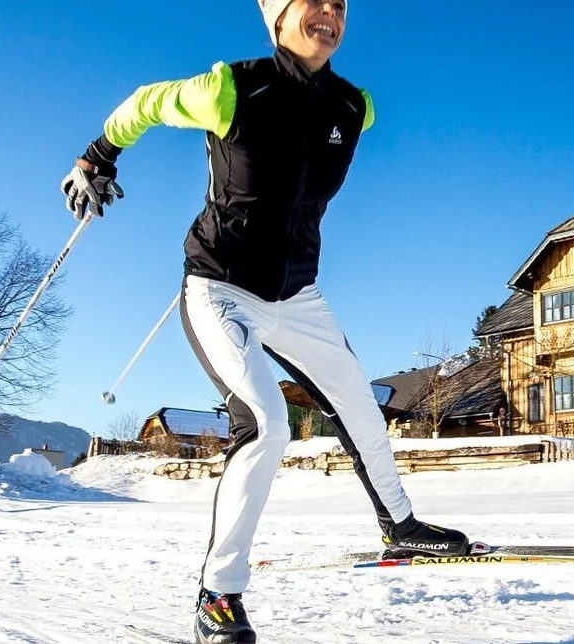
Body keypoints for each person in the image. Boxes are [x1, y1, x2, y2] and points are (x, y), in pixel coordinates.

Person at [60, 1, 471, 642]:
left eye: (338, 5)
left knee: (360, 404)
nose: (329, 13)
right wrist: (96, 156)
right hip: (219, 287)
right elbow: (142, 102)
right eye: (313, 2)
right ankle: (218, 594)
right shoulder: (229, 87)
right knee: (267, 422)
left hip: (297, 294)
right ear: (277, 17)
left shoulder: (353, 106)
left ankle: (400, 524)